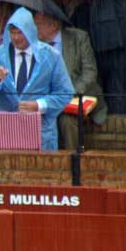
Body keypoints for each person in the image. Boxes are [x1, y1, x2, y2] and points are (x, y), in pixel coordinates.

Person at [0, 7, 74, 151]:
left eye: (20, 33)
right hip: (7, 132)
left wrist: (39, 105)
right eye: (12, 32)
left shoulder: (51, 56)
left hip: (41, 134)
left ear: (30, 31)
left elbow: (65, 92)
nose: (16, 38)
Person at [33, 12, 107, 150]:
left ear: (54, 25)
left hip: (75, 96)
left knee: (67, 121)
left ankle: (73, 162)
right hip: (48, 100)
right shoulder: (35, 46)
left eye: (38, 24)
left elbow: (90, 72)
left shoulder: (78, 38)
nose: (34, 28)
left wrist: (69, 92)